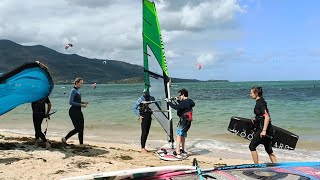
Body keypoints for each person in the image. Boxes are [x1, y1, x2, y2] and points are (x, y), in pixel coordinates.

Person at [249, 87, 277, 164]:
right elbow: (262, 116)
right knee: (269, 150)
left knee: (252, 146)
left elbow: (267, 117)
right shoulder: (260, 102)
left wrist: (264, 131)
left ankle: (256, 165)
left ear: (256, 94)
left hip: (263, 130)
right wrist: (256, 119)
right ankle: (276, 166)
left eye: (251, 93)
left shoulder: (261, 103)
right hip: (266, 129)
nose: (250, 94)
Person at [167, 88, 195, 158]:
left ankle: (177, 151)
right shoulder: (190, 101)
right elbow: (185, 104)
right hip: (188, 122)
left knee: (178, 134)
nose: (179, 96)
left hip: (184, 121)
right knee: (183, 134)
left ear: (183, 95)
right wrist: (177, 100)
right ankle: (183, 149)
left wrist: (169, 102)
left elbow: (176, 107)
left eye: (180, 95)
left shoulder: (184, 102)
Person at [62, 77, 88, 148]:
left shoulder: (78, 91)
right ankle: (65, 138)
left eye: (82, 83)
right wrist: (81, 104)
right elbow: (70, 102)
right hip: (73, 112)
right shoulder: (73, 90)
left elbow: (76, 101)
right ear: (76, 83)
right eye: (81, 83)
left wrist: (83, 102)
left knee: (81, 127)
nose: (81, 84)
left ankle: (81, 143)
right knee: (77, 128)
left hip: (79, 111)